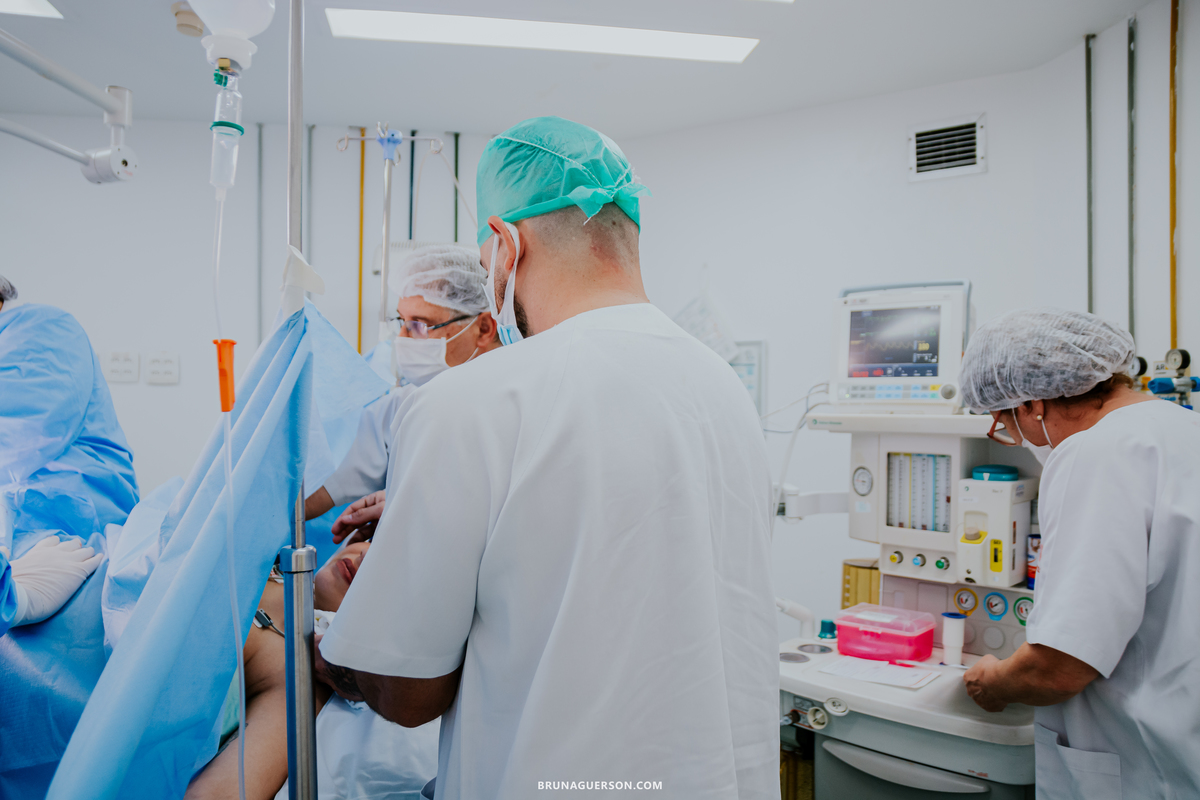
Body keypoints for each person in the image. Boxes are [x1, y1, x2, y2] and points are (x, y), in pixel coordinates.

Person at [317, 116, 779, 799]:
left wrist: (330, 630)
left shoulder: (473, 400)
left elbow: (408, 693)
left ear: (504, 246)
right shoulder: (725, 389)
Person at [958, 308, 1200, 799]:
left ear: (1035, 404)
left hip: (1140, 766)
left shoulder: (1096, 452)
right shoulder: (1181, 428)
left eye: (1005, 422)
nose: (1018, 438)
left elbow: (1058, 668)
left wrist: (995, 681)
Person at [185, 541, 438, 800]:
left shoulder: (295, 673)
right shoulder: (272, 544)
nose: (365, 556)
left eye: (394, 578)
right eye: (377, 540)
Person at [303, 245, 500, 542]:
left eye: (419, 325)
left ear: (484, 328)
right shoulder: (404, 407)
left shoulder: (524, 404)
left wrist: (412, 505)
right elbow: (316, 489)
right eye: (401, 322)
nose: (403, 339)